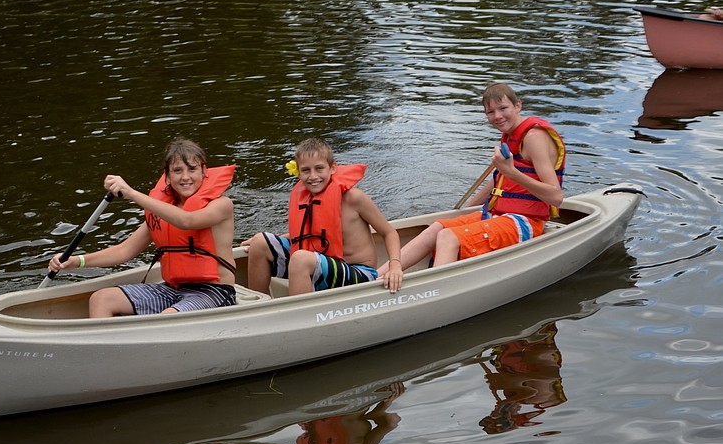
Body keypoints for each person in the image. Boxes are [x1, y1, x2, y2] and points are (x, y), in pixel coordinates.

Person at [379, 83, 565, 274]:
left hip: (527, 221)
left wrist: (511, 172)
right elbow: (500, 180)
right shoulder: (509, 136)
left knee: (447, 237)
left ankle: (435, 292)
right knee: (437, 228)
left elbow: (555, 196)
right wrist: (466, 210)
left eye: (503, 108)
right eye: (491, 112)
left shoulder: (534, 137)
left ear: (518, 106)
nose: (498, 116)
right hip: (497, 215)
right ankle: (375, 278)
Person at [48, 137, 237, 318]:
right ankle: (109, 349)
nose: (185, 177)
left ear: (204, 171)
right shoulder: (163, 213)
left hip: (214, 292)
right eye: (177, 170)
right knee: (101, 299)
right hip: (173, 289)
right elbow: (124, 250)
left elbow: (187, 221)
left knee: (167, 318)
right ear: (167, 177)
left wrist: (131, 193)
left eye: (192, 169)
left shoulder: (221, 205)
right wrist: (77, 261)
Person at [241, 137, 403, 296]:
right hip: (318, 263)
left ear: (332, 168)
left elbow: (389, 233)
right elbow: (312, 234)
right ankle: (259, 305)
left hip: (357, 273)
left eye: (319, 168)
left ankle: (301, 316)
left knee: (300, 259)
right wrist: (269, 240)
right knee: (260, 242)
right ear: (298, 172)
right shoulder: (307, 199)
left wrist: (395, 266)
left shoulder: (354, 198)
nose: (313, 176)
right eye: (306, 170)